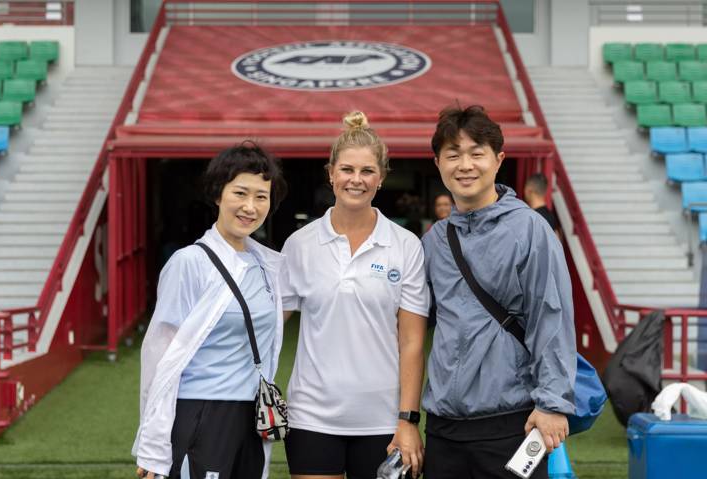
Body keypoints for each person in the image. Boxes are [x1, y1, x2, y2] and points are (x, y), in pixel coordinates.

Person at [421, 105, 576, 479]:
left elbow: (551, 317)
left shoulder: (530, 230)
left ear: (498, 159)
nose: (465, 165)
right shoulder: (435, 241)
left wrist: (553, 404)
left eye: (477, 153)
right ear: (438, 162)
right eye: (453, 154)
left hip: (511, 423)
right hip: (443, 427)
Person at [280, 111, 430, 479]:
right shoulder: (299, 245)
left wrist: (408, 420)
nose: (356, 180)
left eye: (367, 172)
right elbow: (269, 327)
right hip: (311, 417)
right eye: (347, 170)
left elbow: (412, 341)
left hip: (383, 420)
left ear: (381, 178)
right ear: (331, 172)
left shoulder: (405, 245)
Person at [133, 142, 288, 479]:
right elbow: (159, 354)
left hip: (252, 417)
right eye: (240, 193)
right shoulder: (189, 263)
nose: (250, 206)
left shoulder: (269, 266)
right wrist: (152, 443)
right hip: (201, 413)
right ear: (219, 195)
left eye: (261, 196)